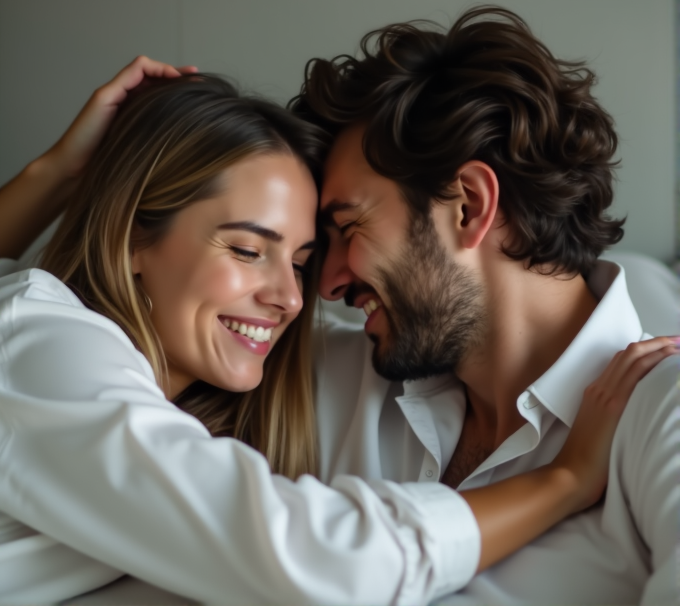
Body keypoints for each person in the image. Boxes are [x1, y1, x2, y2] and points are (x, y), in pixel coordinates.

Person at [0, 56, 674, 605]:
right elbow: (323, 556)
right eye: (247, 249)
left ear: (468, 205)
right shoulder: (308, 373)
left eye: (339, 235)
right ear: (130, 240)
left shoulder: (656, 411)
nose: (308, 294)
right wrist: (59, 178)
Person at [291, 6, 680, 604]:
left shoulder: (664, 413)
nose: (329, 284)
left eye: (350, 227)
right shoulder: (323, 377)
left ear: (469, 204)